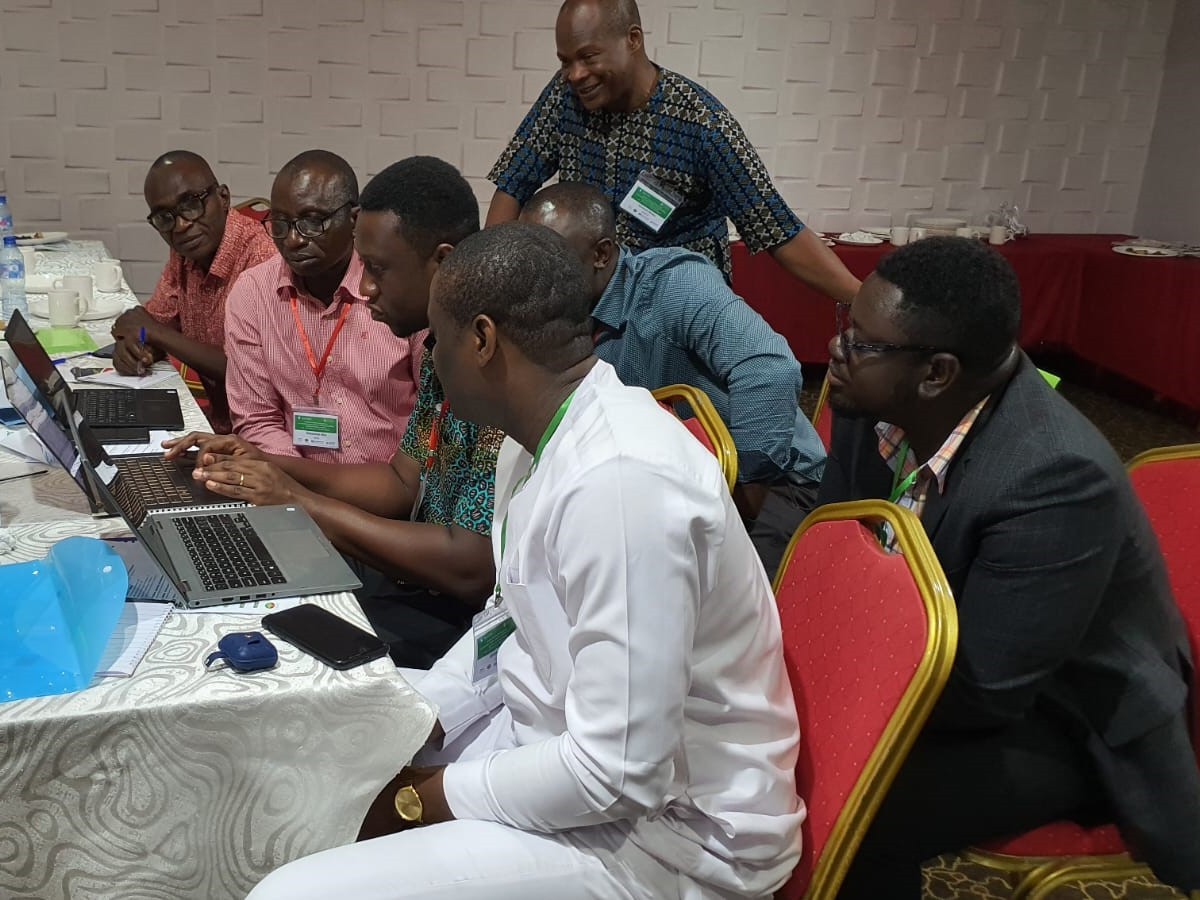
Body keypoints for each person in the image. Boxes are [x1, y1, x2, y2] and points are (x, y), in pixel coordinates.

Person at [244, 221, 802, 900]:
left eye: (438, 342)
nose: (432, 361)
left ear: (481, 340)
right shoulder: (533, 439)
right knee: (305, 754)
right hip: (556, 747)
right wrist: (411, 720)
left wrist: (425, 798)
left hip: (671, 839)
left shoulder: (621, 483)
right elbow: (506, 627)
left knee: (292, 893)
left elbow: (618, 773)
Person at [818, 236, 1200, 898]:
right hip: (924, 662)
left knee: (850, 801)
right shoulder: (874, 401)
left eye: (863, 340)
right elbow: (833, 550)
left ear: (936, 373)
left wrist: (826, 695)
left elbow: (986, 690)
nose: (837, 351)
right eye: (845, 325)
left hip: (1064, 717)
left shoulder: (1053, 477)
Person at [164, 157, 503, 668]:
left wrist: (296, 498)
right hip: (413, 578)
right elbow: (400, 483)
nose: (365, 288)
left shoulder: (487, 373)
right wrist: (266, 462)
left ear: (442, 262)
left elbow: (471, 570)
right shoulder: (441, 353)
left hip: (466, 621)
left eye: (379, 271)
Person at [522, 181, 824, 575]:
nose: (536, 278)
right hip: (669, 488)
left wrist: (743, 488)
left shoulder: (671, 286)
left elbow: (768, 369)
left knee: (733, 611)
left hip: (775, 483)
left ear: (601, 254)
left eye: (552, 261)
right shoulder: (562, 310)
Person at [485, 0, 859, 303]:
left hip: (675, 307)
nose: (575, 74)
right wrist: (491, 280)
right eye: (565, 61)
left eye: (589, 56)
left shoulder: (702, 123)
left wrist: (862, 301)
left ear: (633, 39)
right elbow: (513, 183)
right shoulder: (565, 96)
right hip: (591, 299)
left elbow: (777, 228)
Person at [223, 149, 423, 465]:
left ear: (354, 219)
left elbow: (432, 422)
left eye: (312, 222)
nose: (292, 240)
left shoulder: (396, 291)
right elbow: (256, 419)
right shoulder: (254, 294)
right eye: (280, 223)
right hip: (294, 482)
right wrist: (301, 490)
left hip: (392, 494)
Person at [112, 150, 277, 432]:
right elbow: (154, 321)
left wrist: (154, 333)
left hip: (261, 433)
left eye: (191, 204)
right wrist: (136, 346)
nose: (182, 225)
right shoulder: (186, 251)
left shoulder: (263, 258)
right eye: (165, 218)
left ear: (223, 198)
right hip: (213, 420)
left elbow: (247, 370)